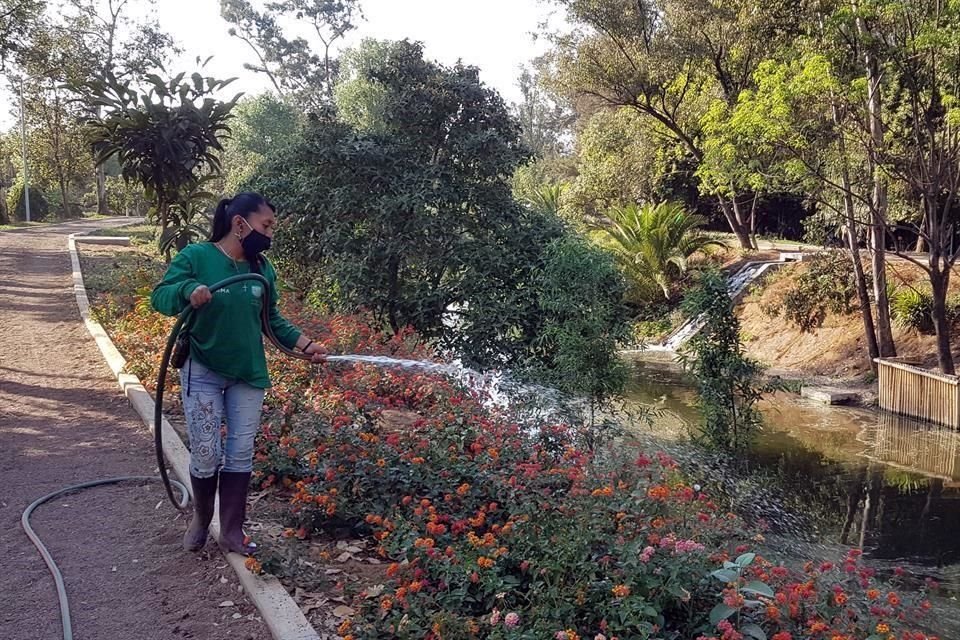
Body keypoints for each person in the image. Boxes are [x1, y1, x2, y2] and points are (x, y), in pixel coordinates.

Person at [151, 192, 326, 554]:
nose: (270, 234)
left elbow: (271, 319)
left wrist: (306, 345)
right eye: (266, 225)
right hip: (203, 369)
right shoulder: (197, 257)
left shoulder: (261, 269)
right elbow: (161, 296)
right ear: (239, 223)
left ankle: (232, 530)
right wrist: (188, 290)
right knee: (205, 452)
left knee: (240, 452)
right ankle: (202, 518)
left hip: (247, 374)